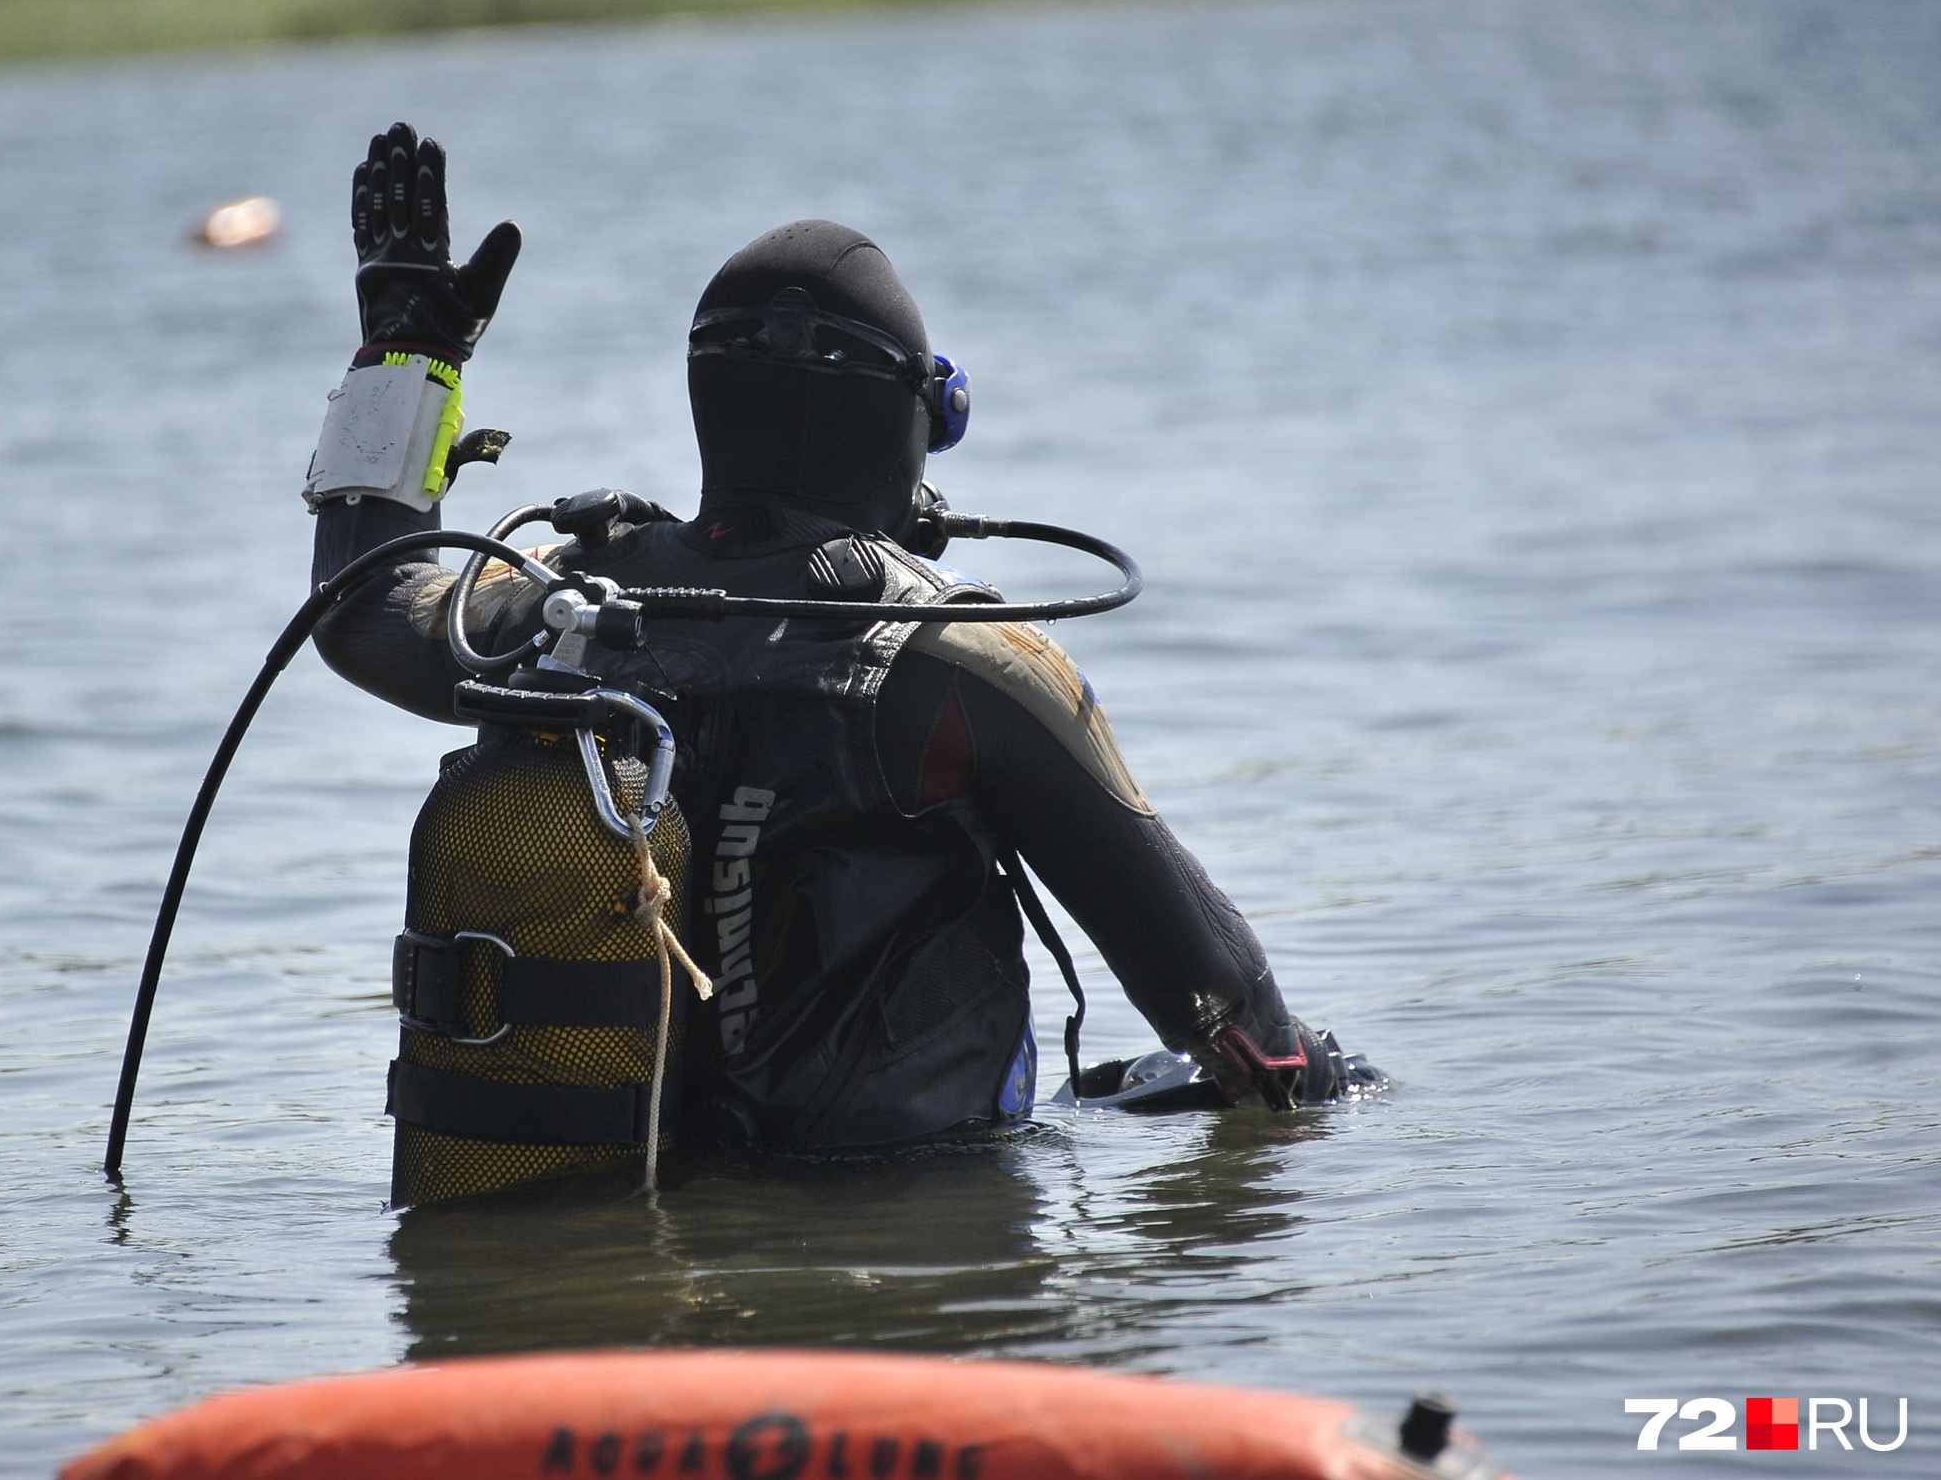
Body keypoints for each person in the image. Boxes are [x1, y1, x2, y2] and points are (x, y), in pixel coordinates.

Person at [306, 122, 1357, 1159]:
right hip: (898, 1245)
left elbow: (364, 603)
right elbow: (1235, 1029)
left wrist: (407, 351)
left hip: (605, 1199)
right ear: (913, 415)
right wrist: (1318, 1078)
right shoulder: (966, 661)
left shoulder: (559, 614)